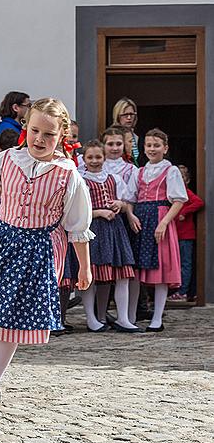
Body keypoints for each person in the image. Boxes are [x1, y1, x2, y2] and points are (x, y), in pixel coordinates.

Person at [0, 98, 93, 405]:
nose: (40, 139)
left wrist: (84, 266)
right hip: (0, 239)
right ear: (25, 128)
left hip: (39, 250)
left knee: (11, 317)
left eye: (49, 134)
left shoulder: (67, 174)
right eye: (35, 131)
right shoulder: (7, 160)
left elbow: (77, 226)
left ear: (62, 137)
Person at [127, 128, 187, 332]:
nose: (152, 149)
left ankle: (157, 318)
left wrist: (163, 223)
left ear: (165, 148)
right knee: (135, 271)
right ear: (144, 148)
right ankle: (130, 315)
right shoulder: (140, 171)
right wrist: (130, 214)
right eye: (149, 145)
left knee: (161, 269)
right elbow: (130, 199)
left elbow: (178, 201)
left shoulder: (171, 171)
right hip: (141, 220)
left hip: (160, 218)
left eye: (156, 145)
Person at [78, 139, 141, 333]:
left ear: (104, 157)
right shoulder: (81, 180)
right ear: (84, 159)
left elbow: (125, 201)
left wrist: (119, 205)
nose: (95, 161)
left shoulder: (114, 177)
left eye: (98, 157)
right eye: (90, 157)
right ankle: (91, 318)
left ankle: (122, 317)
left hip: (115, 229)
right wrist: (99, 212)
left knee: (121, 273)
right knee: (93, 275)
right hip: (94, 229)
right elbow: (77, 210)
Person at [171, 165, 204, 301]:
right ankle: (177, 290)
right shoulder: (171, 192)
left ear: (187, 180)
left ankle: (183, 292)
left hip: (186, 235)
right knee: (175, 263)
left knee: (185, 263)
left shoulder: (185, 192)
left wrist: (184, 212)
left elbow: (199, 202)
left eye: (182, 177)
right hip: (175, 234)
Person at [0, 91, 30, 156]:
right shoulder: (8, 130)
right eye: (28, 106)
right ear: (16, 108)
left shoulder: (9, 126)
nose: (30, 109)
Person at [111, 97, 140, 165]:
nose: (129, 118)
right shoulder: (110, 136)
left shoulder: (138, 138)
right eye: (125, 115)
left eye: (132, 114)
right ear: (118, 116)